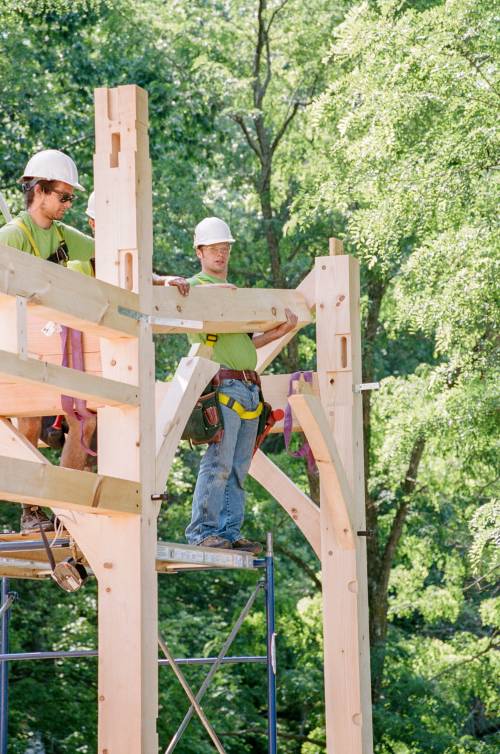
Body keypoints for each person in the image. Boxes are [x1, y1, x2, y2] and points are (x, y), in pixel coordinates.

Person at [185, 217, 298, 553]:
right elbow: (183, 298)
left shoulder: (237, 300)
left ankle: (229, 532)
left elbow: (246, 344)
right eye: (214, 248)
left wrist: (280, 331)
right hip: (223, 386)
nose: (221, 253)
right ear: (200, 252)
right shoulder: (194, 288)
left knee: (238, 467)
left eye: (225, 248)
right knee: (219, 462)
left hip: (249, 388)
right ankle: (204, 532)